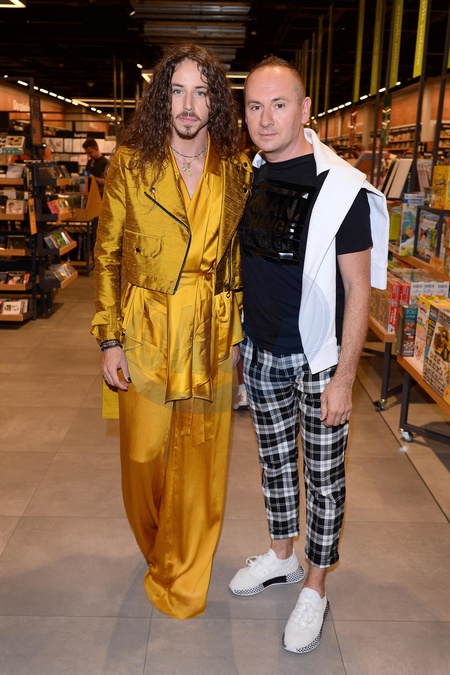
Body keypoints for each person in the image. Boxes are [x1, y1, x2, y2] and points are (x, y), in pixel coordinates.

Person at [229, 57, 389, 653]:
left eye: (278, 105)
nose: (265, 119)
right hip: (262, 352)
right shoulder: (249, 177)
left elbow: (358, 289)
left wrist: (345, 377)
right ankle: (282, 556)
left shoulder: (342, 188)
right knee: (275, 466)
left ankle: (316, 586)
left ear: (304, 109)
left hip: (320, 362)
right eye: (254, 106)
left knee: (323, 480)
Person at [91, 43, 252, 620]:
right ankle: (158, 545)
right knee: (143, 457)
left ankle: (185, 570)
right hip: (146, 327)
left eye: (201, 92)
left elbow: (240, 259)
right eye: (178, 90)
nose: (188, 104)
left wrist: (240, 335)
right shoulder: (131, 164)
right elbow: (106, 255)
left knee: (202, 461)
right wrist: (109, 338)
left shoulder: (237, 170)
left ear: (215, 103)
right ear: (162, 98)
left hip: (213, 330)